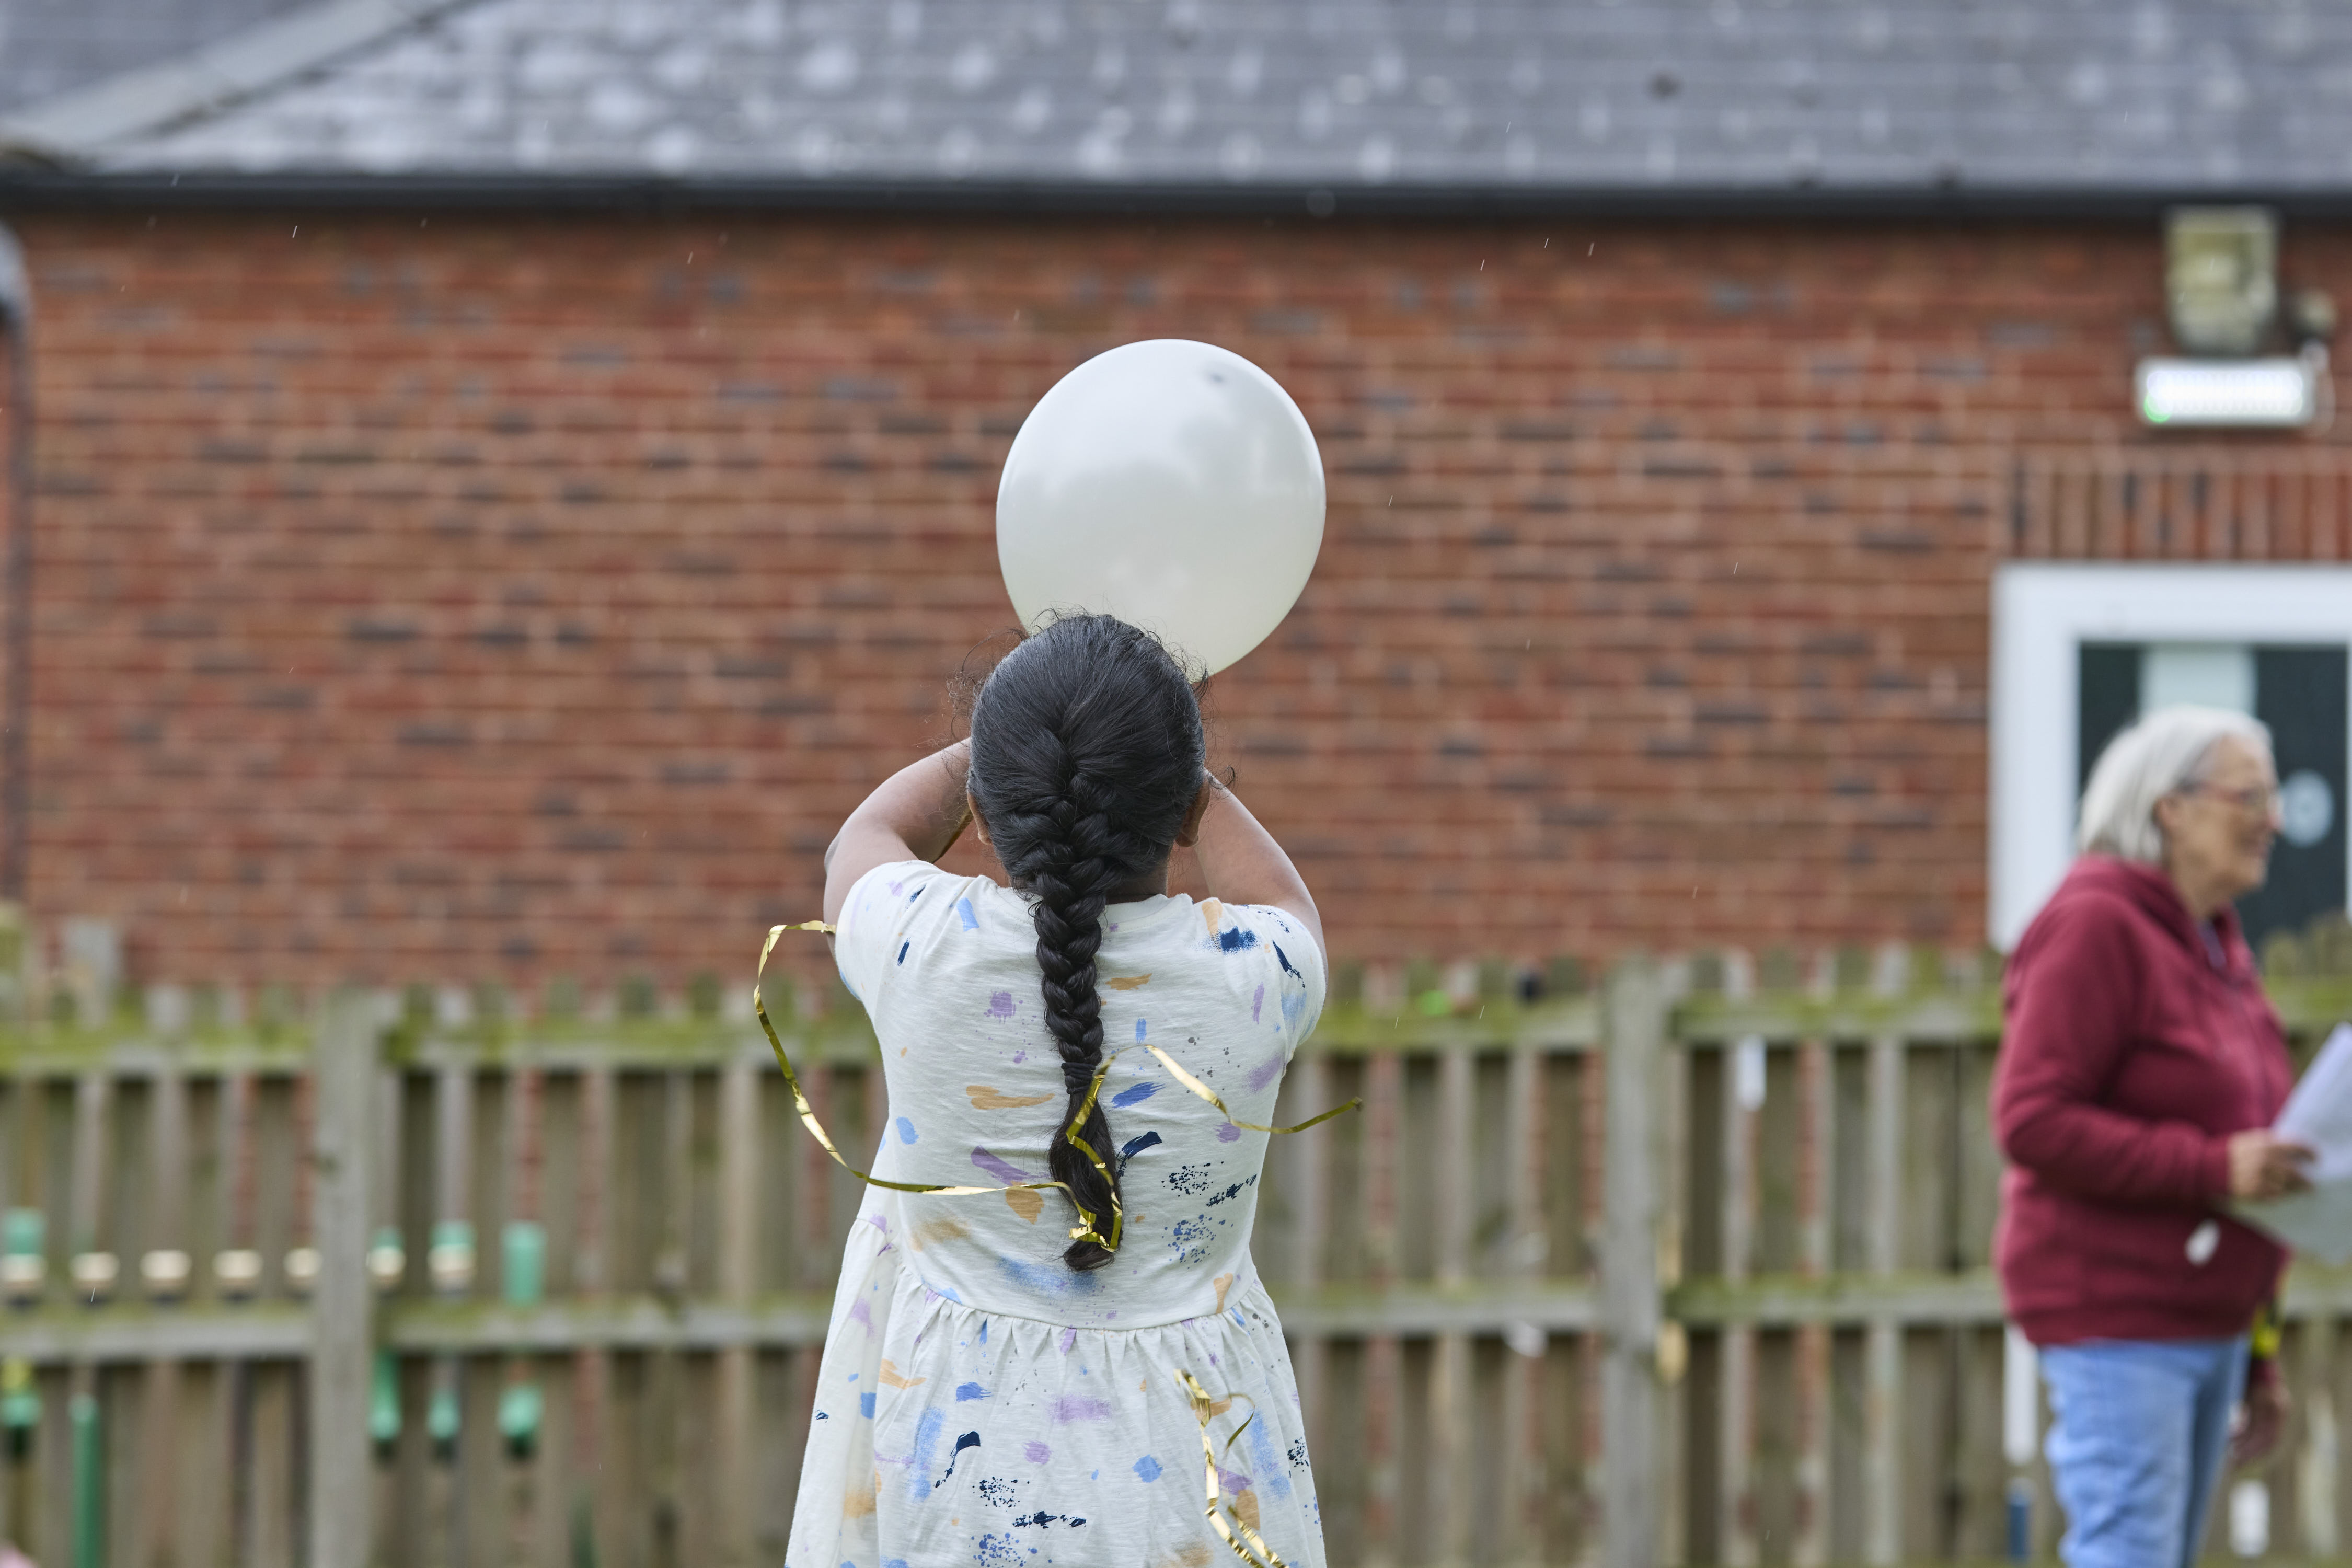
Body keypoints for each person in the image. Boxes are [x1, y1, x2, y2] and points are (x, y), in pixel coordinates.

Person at [785, 614, 1330, 1568]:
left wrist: (1009, 742)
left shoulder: (928, 949)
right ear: (1180, 810)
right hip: (1199, 1469)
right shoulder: (1257, 974)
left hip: (962, 1473)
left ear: (990, 812)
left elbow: (859, 845)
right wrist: (1164, 762)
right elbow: (1292, 903)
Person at [1992, 704, 2312, 1568]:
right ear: (2170, 807)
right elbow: (2031, 1118)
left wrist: (2259, 1354)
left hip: (2209, 1323)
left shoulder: (2217, 949)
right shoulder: (2097, 922)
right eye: (2250, 797)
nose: (2273, 820)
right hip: (2120, 1318)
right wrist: (2214, 1167)